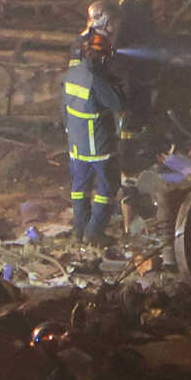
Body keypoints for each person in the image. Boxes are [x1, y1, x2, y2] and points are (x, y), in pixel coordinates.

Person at [62, 26, 129, 241]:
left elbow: (64, 107)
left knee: (79, 188)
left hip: (76, 142)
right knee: (107, 187)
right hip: (98, 143)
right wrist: (116, 82)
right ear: (102, 58)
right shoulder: (97, 80)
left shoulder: (72, 73)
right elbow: (119, 104)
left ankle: (79, 230)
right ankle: (93, 234)